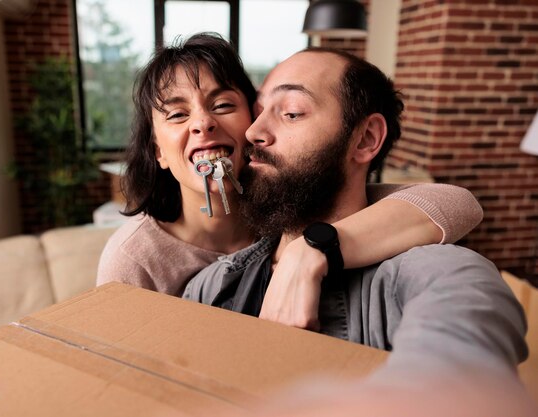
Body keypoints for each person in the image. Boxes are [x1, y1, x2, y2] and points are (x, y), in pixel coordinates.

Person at [183, 47, 527, 374]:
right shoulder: (211, 285)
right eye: (257, 113)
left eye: (291, 113)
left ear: (365, 139)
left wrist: (313, 248)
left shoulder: (430, 278)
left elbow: (466, 354)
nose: (253, 132)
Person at [97, 34, 483, 322]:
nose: (203, 123)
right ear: (159, 151)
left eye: (224, 105)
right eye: (177, 115)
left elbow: (456, 202)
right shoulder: (142, 262)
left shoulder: (285, 200)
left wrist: (311, 249)